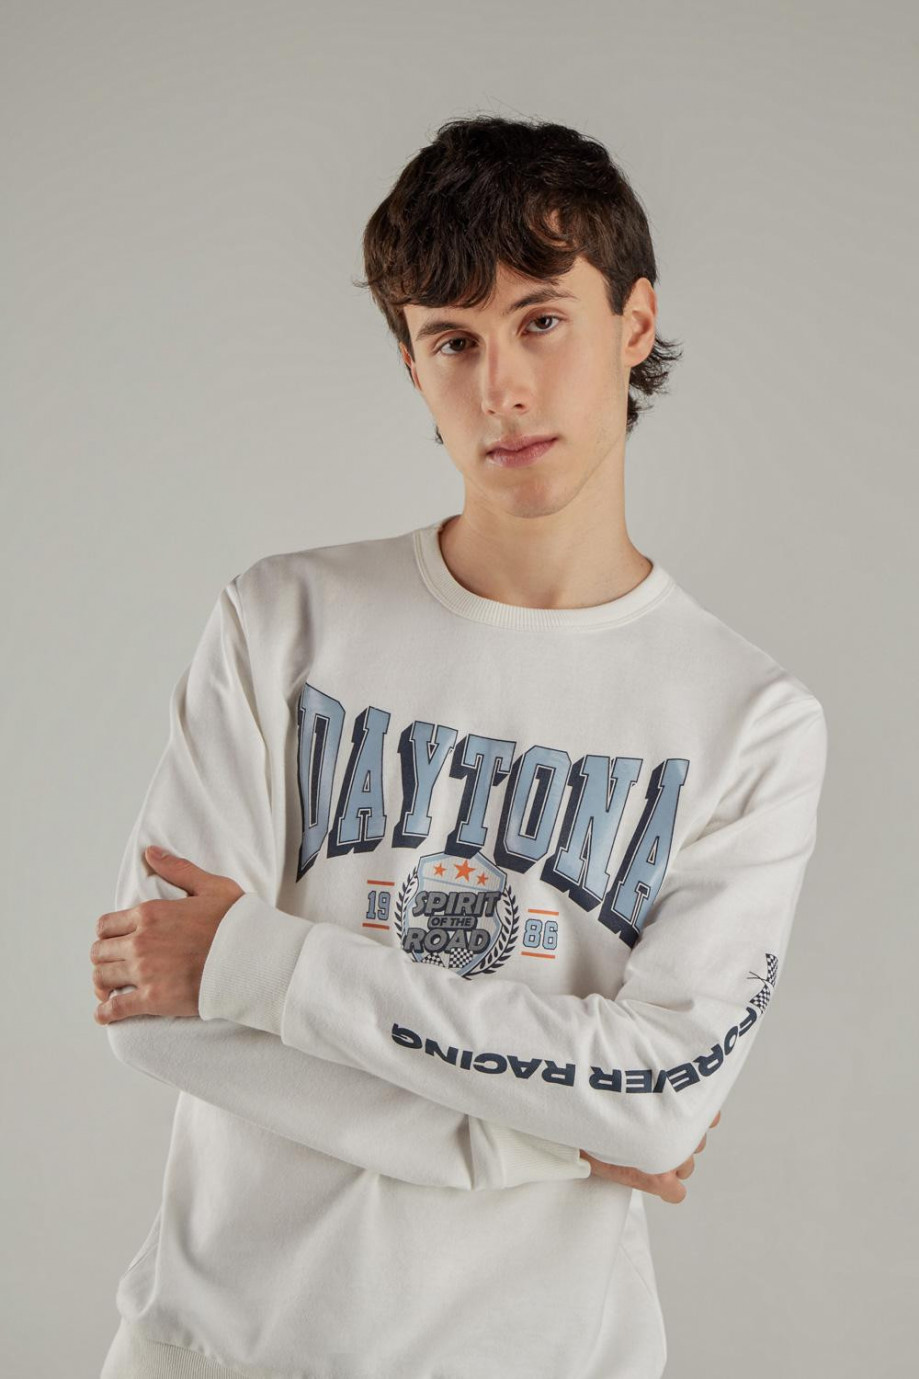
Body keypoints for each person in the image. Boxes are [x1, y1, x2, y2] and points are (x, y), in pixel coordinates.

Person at [92, 115, 828, 1378]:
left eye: (541, 320)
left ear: (634, 322)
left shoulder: (748, 719)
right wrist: (546, 1133)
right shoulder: (281, 622)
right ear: (411, 363)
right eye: (454, 340)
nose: (502, 388)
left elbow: (662, 1094)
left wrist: (264, 965)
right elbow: (154, 1010)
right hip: (211, 1350)